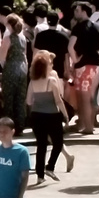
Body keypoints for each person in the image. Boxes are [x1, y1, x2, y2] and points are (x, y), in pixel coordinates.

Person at [25, 50, 73, 182]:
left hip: (36, 116)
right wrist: (66, 115)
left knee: (41, 146)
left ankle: (40, 176)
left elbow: (28, 101)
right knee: (58, 143)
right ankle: (50, 166)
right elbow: (58, 100)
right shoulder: (51, 81)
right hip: (52, 115)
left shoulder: (32, 82)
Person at [69, 2, 99, 136]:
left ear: (84, 11)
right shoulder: (97, 28)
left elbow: (70, 46)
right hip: (96, 64)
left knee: (84, 99)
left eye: (77, 10)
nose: (75, 13)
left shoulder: (78, 28)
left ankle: (88, 127)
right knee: (93, 97)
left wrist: (75, 60)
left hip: (83, 65)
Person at [0, 13, 30, 130]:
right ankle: (20, 124)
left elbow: (2, 56)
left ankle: (9, 125)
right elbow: (24, 55)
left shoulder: (8, 38)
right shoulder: (22, 38)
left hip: (11, 68)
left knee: (9, 97)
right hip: (22, 68)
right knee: (20, 98)